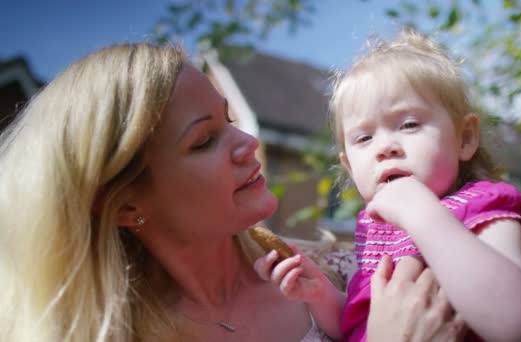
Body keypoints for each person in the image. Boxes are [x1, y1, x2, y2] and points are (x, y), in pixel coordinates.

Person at [0, 42, 465, 341]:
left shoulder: (342, 273)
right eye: (203, 140)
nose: (249, 144)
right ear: (124, 204)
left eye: (230, 121)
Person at [254, 28, 521, 341]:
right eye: (365, 137)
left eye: (408, 124)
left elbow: (519, 324)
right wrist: (321, 296)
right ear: (350, 166)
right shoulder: (374, 229)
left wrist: (424, 214)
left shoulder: (484, 204)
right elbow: (363, 325)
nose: (385, 147)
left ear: (464, 138)